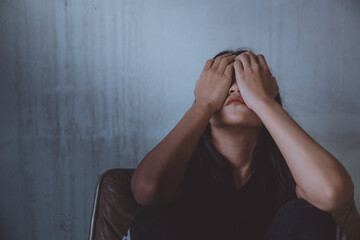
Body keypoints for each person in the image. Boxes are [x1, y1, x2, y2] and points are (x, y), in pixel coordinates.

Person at [129, 48, 355, 240]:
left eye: (246, 84)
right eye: (225, 84)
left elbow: (331, 192)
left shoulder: (293, 172)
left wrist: (262, 101)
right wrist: (204, 104)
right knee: (154, 217)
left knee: (309, 214)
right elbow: (148, 189)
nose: (235, 88)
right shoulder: (180, 168)